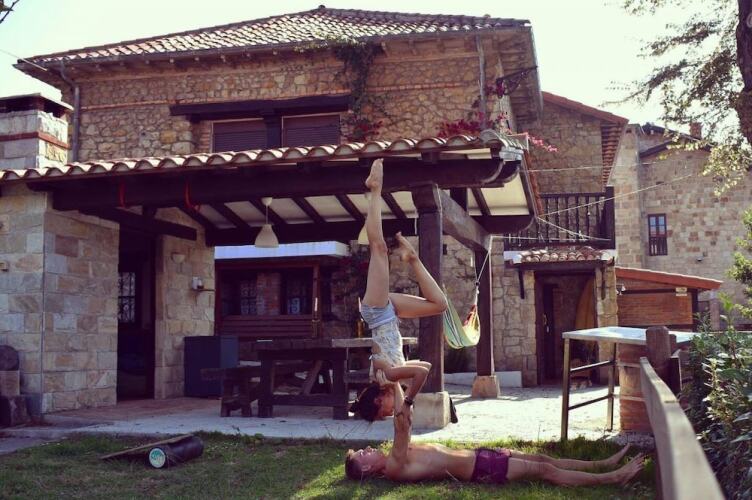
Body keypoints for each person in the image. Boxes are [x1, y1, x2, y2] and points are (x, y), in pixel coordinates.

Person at [350, 158, 448, 422]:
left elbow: (421, 374)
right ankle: (412, 259)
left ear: (378, 399)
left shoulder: (387, 375)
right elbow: (426, 366)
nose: (393, 410)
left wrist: (408, 401)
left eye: (386, 410)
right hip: (389, 314)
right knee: (439, 305)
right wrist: (399, 389)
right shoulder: (393, 378)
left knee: (379, 249)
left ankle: (375, 189)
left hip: (376, 312)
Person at [345, 411, 645, 486]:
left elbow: (403, 420)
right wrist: (396, 382)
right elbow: (402, 425)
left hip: (481, 455)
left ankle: (603, 464)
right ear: (368, 467)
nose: (368, 448)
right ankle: (613, 477)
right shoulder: (394, 467)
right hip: (482, 468)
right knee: (545, 470)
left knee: (543, 458)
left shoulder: (395, 457)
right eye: (363, 454)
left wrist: (395, 384)